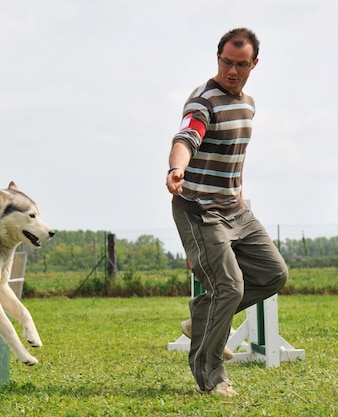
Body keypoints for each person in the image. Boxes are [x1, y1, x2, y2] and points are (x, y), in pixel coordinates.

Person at [165, 28, 288, 397]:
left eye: (240, 64)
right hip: (199, 210)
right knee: (229, 287)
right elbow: (186, 137)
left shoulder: (248, 103)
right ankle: (211, 376)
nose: (232, 71)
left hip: (236, 208)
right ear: (217, 57)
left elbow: (233, 156)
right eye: (225, 62)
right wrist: (176, 168)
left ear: (254, 64)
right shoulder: (204, 101)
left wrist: (238, 194)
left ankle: (202, 316)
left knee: (273, 274)